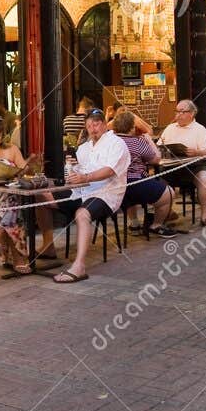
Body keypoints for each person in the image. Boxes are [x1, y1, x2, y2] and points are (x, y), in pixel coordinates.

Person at [0, 117, 54, 272]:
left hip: (9, 194)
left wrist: (30, 164)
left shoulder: (12, 149)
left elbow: (23, 171)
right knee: (14, 205)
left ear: (3, 135)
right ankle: (19, 258)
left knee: (11, 201)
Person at [54, 108, 129, 284]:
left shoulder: (116, 143)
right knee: (45, 198)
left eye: (96, 124)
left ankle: (79, 266)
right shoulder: (83, 148)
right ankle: (48, 247)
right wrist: (72, 170)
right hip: (82, 191)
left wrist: (85, 177)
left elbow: (110, 170)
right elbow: (79, 172)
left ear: (104, 124)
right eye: (89, 125)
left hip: (106, 193)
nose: (93, 128)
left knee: (82, 214)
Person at [112, 110, 176, 238]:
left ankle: (134, 224)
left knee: (133, 190)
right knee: (169, 193)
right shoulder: (137, 141)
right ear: (131, 127)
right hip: (134, 184)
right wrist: (148, 139)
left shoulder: (110, 141)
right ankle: (156, 225)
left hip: (115, 186)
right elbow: (156, 159)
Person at [157, 99, 206, 228]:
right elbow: (159, 147)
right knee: (158, 183)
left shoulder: (200, 129)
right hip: (172, 167)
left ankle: (205, 215)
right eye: (177, 111)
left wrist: (196, 152)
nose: (178, 115)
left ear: (191, 114)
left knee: (204, 179)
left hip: (196, 166)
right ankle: (167, 213)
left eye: (182, 112)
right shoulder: (170, 128)